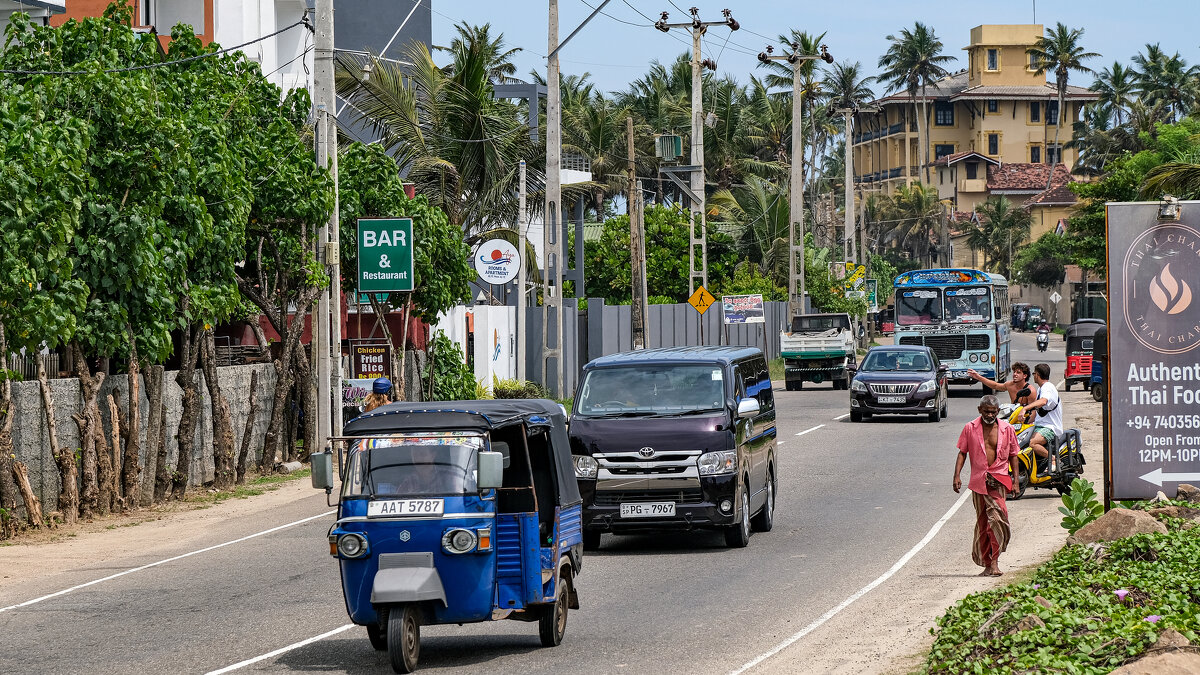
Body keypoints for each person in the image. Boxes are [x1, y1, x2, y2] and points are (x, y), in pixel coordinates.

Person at [953, 394, 1020, 577]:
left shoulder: (1007, 429)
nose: (990, 415)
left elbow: (1014, 455)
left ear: (998, 412)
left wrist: (1015, 481)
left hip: (998, 480)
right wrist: (957, 475)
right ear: (979, 410)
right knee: (984, 524)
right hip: (978, 482)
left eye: (993, 412)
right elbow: (962, 453)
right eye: (986, 412)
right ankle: (988, 563)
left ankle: (995, 562)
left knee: (998, 520)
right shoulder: (970, 428)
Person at [1023, 363, 1063, 471]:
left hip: (1050, 427)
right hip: (1040, 425)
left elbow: (1043, 401)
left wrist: (1026, 408)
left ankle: (1054, 459)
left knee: (1033, 443)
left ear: (1038, 375)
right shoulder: (1041, 389)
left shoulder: (1047, 387)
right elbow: (1037, 413)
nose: (1033, 376)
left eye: (1034, 373)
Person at [968, 362, 1038, 407]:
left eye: (1018, 372)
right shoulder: (1010, 385)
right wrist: (978, 377)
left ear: (1025, 376)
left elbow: (1033, 411)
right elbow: (995, 385)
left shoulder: (1030, 391)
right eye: (1014, 372)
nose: (1015, 374)